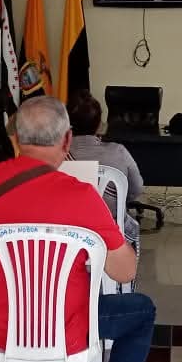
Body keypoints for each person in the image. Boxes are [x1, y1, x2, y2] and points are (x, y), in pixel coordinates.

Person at [0, 97, 156, 362]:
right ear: (67, 139)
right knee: (142, 311)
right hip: (63, 326)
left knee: (20, 292)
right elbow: (124, 270)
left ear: (15, 138)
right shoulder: (81, 195)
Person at [66, 90, 145, 249]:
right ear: (99, 124)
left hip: (69, 233)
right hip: (111, 232)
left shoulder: (57, 153)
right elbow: (136, 189)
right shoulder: (118, 151)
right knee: (131, 225)